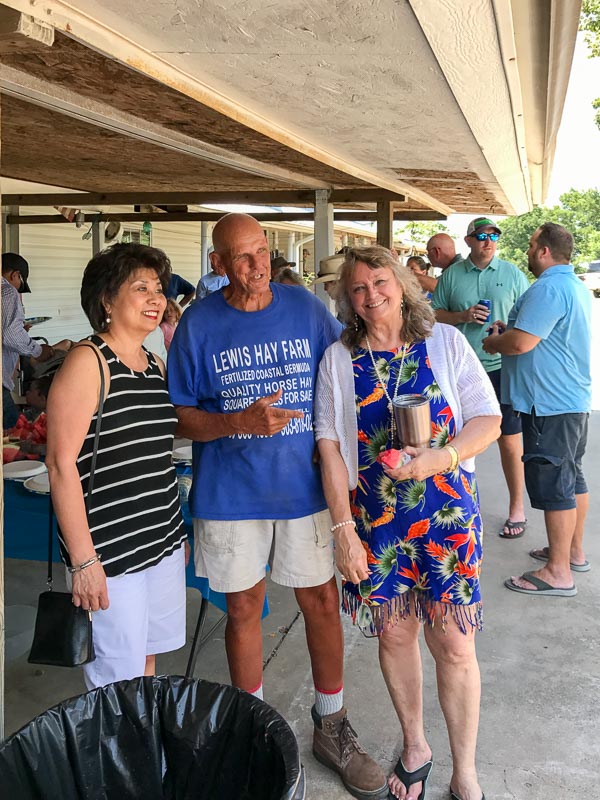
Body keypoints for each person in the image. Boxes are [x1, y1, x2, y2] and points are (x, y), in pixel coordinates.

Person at [168, 214, 388, 800]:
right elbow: (180, 412)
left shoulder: (306, 309)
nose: (255, 265)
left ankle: (332, 722)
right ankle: (256, 730)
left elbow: (342, 380)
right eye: (240, 257)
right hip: (231, 494)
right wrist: (235, 421)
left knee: (319, 600)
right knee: (243, 612)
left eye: (261, 252)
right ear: (217, 264)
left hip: (305, 490)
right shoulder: (197, 324)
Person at [315, 246, 500, 800]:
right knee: (395, 634)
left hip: (447, 520)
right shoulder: (338, 361)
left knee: (455, 644)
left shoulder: (444, 343)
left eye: (380, 282)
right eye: (358, 289)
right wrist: (343, 530)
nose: (372, 295)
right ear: (347, 300)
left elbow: (487, 418)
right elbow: (330, 449)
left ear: (401, 282)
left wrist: (437, 458)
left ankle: (464, 769)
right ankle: (415, 744)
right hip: (379, 526)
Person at [46, 243, 187, 690]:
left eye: (159, 289)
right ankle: (116, 760)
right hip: (111, 555)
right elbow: (60, 465)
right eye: (140, 287)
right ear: (107, 300)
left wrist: (177, 535)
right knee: (114, 681)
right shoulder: (88, 362)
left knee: (145, 663)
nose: (155, 298)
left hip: (161, 541)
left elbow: (154, 455)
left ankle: (144, 756)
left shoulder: (154, 366)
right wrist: (84, 561)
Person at [483, 223, 591, 595]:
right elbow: (536, 336)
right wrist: (508, 329)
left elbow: (520, 345)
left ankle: (558, 572)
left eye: (531, 245)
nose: (528, 251)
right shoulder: (572, 284)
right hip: (567, 400)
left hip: (548, 404)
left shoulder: (547, 288)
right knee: (570, 477)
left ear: (544, 251)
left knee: (554, 484)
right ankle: (571, 551)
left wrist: (496, 342)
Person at [432, 217, 530, 540]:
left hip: (503, 368)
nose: (489, 241)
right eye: (482, 236)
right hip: (461, 370)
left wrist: (508, 330)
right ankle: (451, 504)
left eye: (494, 236)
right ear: (469, 240)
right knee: (454, 438)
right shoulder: (451, 276)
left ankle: (517, 508)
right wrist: (462, 316)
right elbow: (432, 315)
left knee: (509, 439)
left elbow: (529, 320)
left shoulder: (512, 274)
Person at [2, 253, 64, 430]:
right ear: (15, 275)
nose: (18, 290)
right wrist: (38, 351)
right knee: (12, 431)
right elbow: (9, 335)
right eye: (20, 284)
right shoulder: (7, 291)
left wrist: (20, 332)